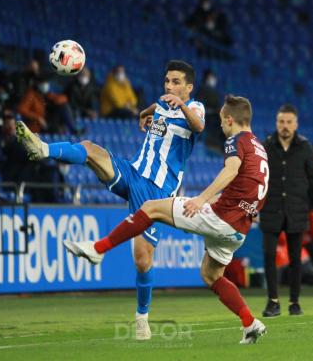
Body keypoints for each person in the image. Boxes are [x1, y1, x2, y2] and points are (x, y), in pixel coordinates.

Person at [16, 60, 205, 340]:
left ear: (188, 87)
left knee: (142, 260)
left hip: (156, 191)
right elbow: (158, 108)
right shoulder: (163, 104)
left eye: (176, 82)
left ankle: (142, 318)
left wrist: (181, 104)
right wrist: (145, 112)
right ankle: (43, 149)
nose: (169, 86)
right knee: (91, 149)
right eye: (167, 81)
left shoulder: (195, 107)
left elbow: (199, 126)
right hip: (132, 172)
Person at [64, 95, 267, 345]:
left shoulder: (236, 141)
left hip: (219, 216)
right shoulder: (260, 148)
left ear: (229, 119)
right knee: (211, 275)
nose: (221, 127)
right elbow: (258, 185)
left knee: (150, 208)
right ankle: (249, 323)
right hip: (239, 228)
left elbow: (231, 170)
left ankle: (98, 248)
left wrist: (202, 199)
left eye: (222, 122)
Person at [260, 104, 313, 317]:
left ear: (296, 124)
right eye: (281, 122)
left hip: (297, 209)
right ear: (276, 123)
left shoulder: (305, 147)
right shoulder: (266, 146)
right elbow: (257, 178)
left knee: (296, 259)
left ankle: (294, 302)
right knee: (269, 256)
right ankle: (273, 302)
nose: (285, 126)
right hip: (271, 209)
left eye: (289, 122)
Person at [195, 70, 223, 153]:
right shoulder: (203, 89)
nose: (214, 79)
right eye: (211, 77)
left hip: (215, 118)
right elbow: (199, 105)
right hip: (210, 119)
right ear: (207, 78)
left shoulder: (213, 91)